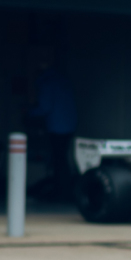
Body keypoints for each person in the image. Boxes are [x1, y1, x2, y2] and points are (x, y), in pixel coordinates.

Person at [28, 60, 77, 199]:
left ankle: (61, 192)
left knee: (58, 160)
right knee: (62, 159)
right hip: (69, 125)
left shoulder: (47, 83)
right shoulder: (63, 80)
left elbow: (45, 107)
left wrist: (29, 112)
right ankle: (63, 190)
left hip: (57, 126)